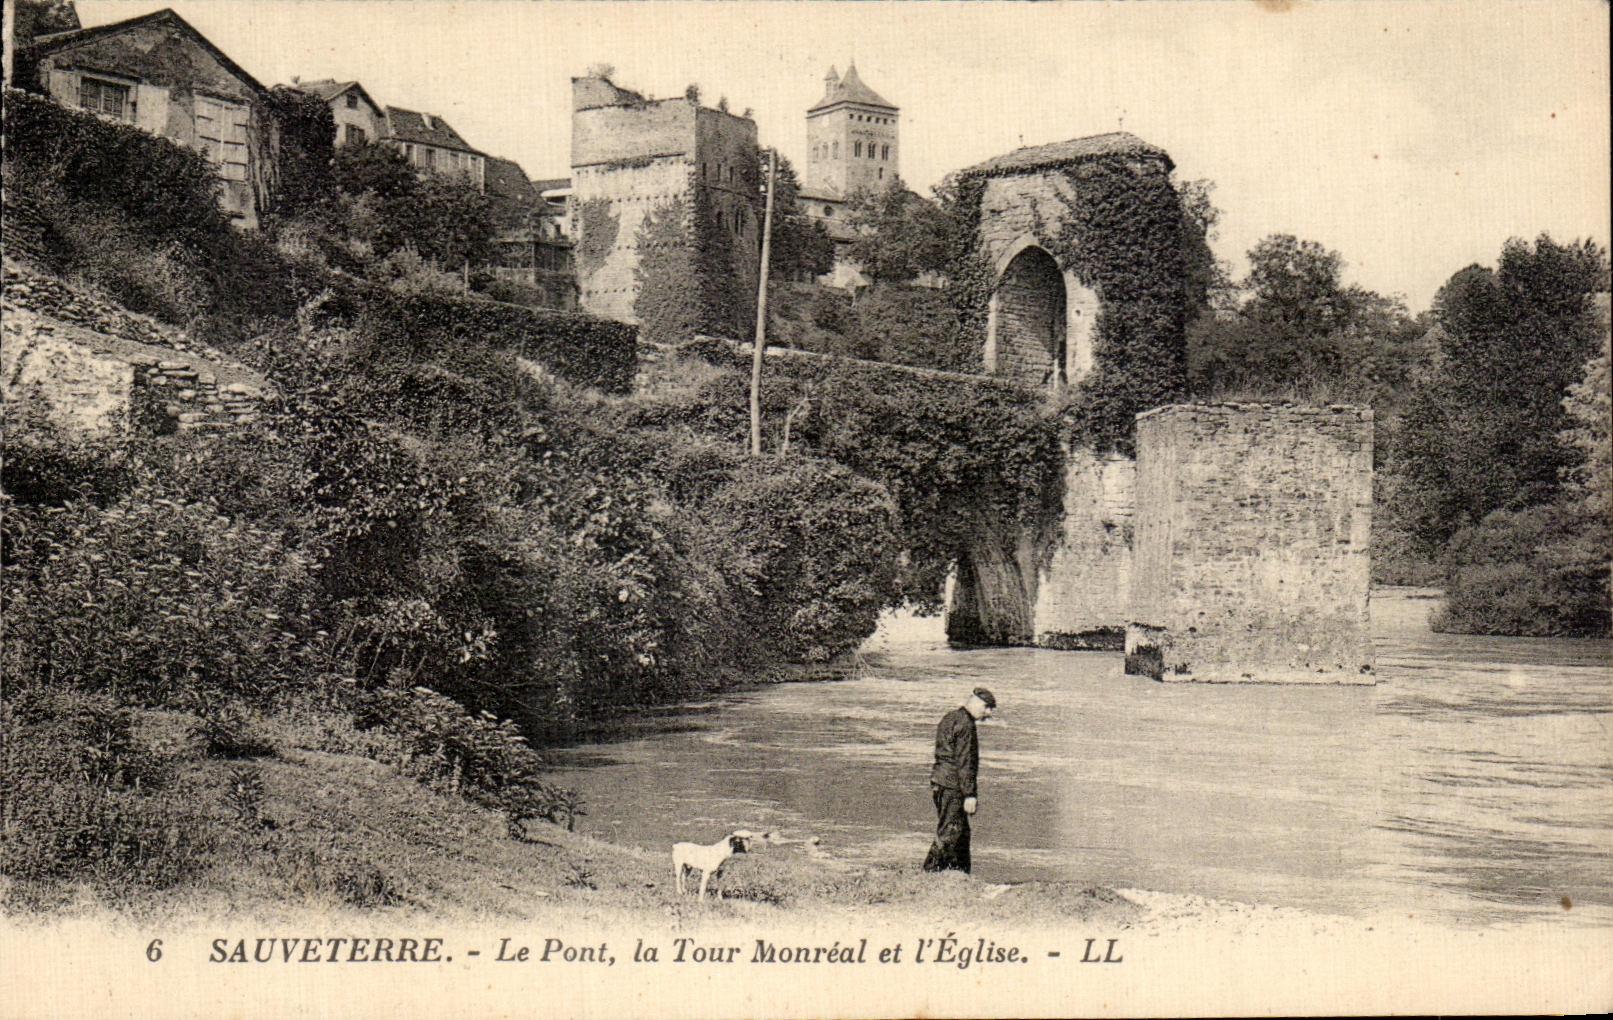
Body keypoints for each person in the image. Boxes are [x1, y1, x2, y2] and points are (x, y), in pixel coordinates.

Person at [922, 686, 995, 874]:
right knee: (950, 831)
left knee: (961, 833)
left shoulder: (950, 717)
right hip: (953, 785)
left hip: (940, 782)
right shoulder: (966, 726)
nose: (988, 714)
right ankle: (928, 874)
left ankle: (960, 876)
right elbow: (965, 763)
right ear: (976, 702)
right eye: (987, 708)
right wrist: (970, 795)